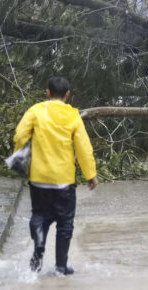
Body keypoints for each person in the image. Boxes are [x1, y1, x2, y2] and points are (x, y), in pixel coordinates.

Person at [13, 76, 99, 275]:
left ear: (48, 92)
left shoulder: (36, 110)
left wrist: (20, 158)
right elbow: (83, 148)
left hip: (39, 179)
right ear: (67, 95)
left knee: (39, 216)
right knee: (65, 223)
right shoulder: (73, 116)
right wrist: (90, 174)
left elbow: (19, 135)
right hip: (64, 181)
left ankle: (38, 254)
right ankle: (61, 266)